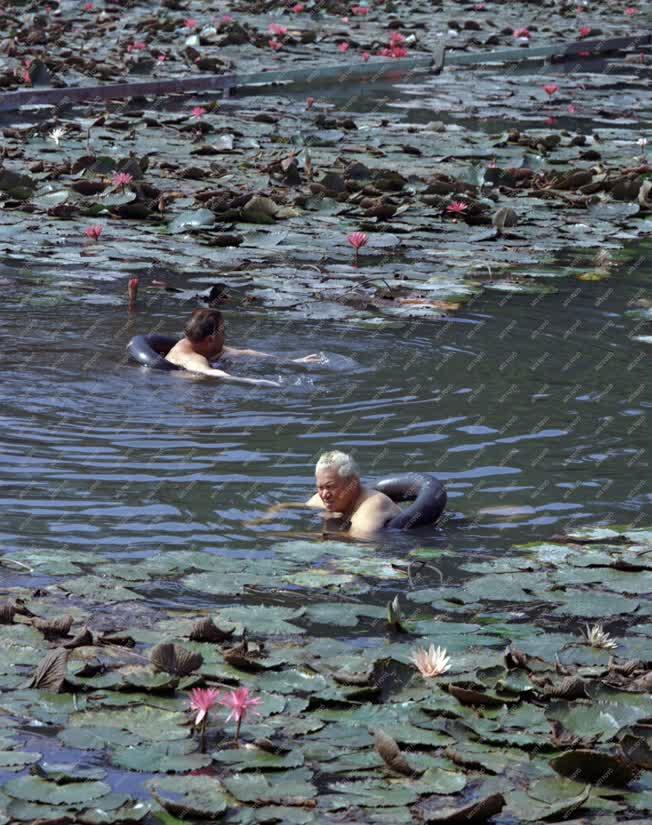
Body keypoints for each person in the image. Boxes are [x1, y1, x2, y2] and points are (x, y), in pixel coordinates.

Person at [165, 308, 321, 387]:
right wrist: (255, 381)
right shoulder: (191, 357)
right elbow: (211, 372)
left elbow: (246, 353)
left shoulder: (206, 346)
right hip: (188, 384)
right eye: (223, 331)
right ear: (210, 339)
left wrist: (295, 361)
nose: (226, 335)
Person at [305, 450, 401, 537]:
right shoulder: (319, 500)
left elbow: (360, 548)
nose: (324, 495)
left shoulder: (373, 505)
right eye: (321, 487)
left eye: (330, 487)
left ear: (352, 483)